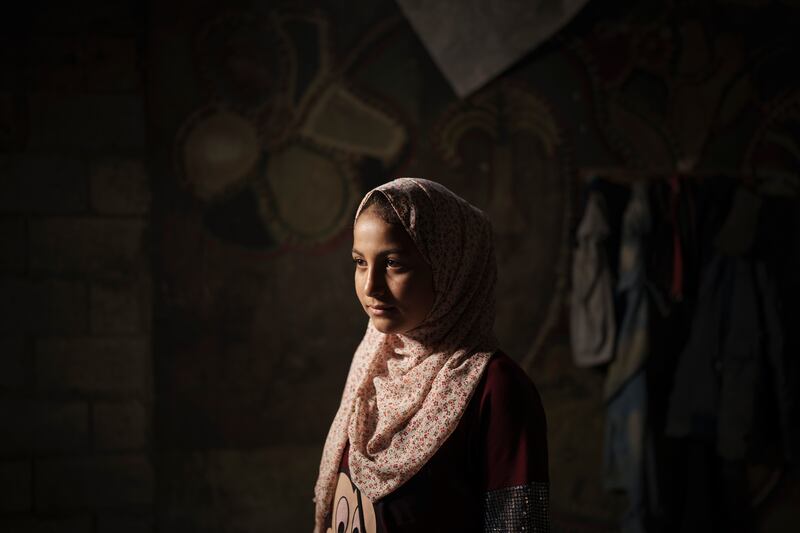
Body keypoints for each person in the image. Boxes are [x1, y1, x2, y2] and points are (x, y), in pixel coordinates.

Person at [313, 178, 549, 532]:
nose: (370, 286)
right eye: (360, 262)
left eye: (393, 263)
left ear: (451, 267)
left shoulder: (497, 388)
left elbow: (517, 525)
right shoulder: (374, 360)